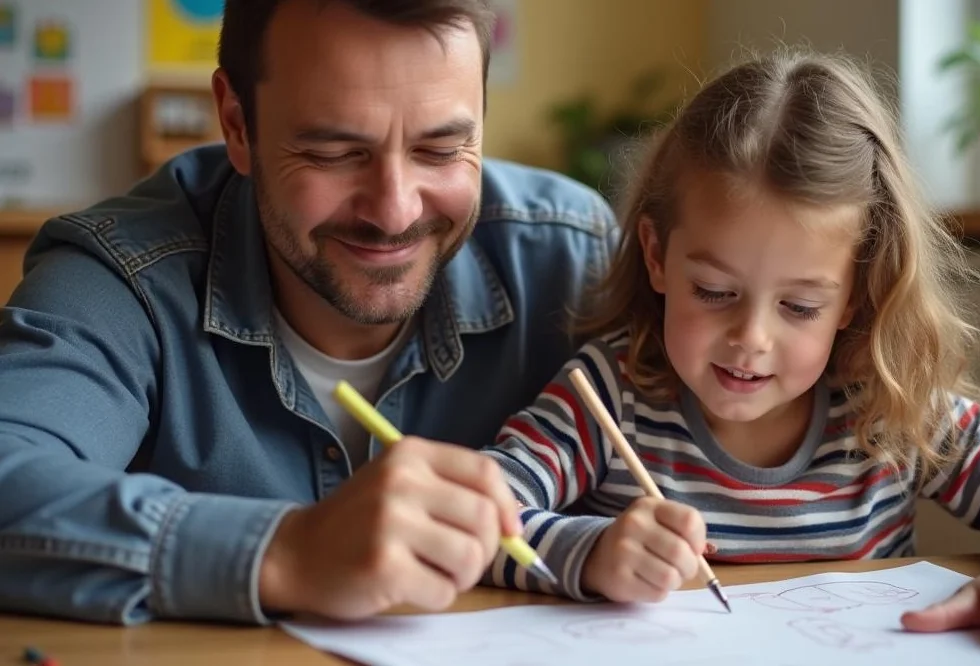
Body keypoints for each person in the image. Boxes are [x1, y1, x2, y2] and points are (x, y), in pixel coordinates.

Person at [0, 0, 618, 625]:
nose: (395, 212)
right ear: (238, 124)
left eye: (440, 150)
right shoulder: (123, 277)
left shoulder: (570, 257)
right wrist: (287, 553)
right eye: (335, 153)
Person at [480, 49, 980, 658]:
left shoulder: (888, 408)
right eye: (714, 292)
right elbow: (482, 514)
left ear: (854, 295)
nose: (751, 338)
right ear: (657, 257)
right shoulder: (610, 394)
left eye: (799, 307)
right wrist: (590, 554)